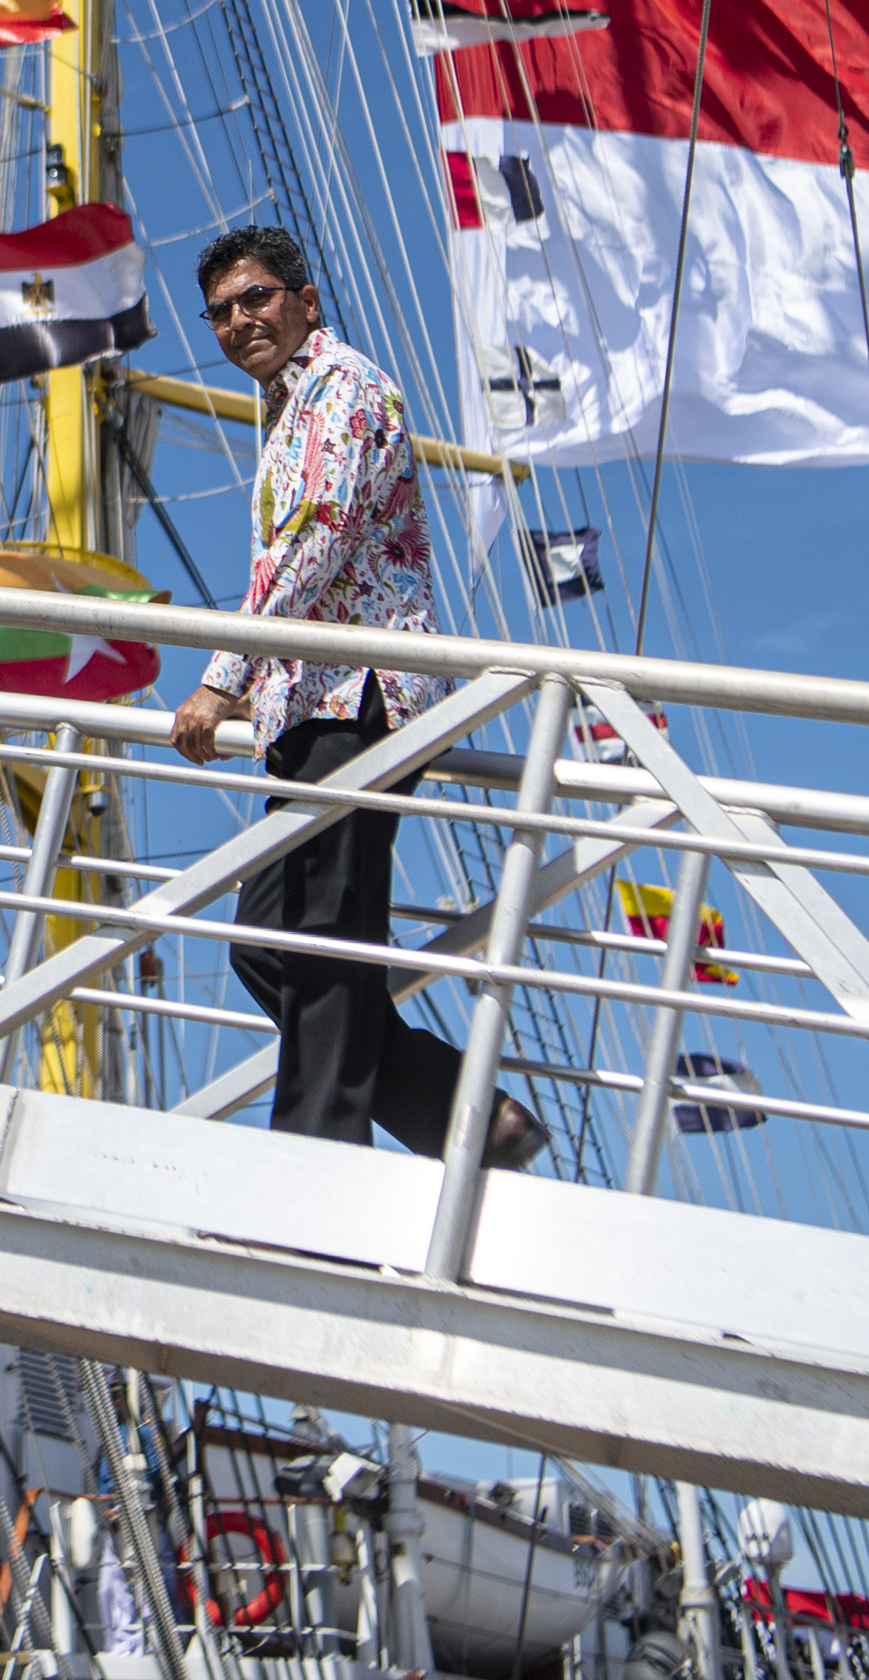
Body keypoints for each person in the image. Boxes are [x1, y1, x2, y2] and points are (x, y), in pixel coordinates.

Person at [168, 227, 545, 1169]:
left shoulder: (344, 389)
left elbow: (315, 538)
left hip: (360, 701)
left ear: (306, 299)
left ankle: (313, 1163)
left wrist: (223, 677)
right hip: (310, 703)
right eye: (220, 312)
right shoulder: (288, 405)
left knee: (326, 937)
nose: (238, 321)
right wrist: (261, 687)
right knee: (267, 942)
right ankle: (462, 1113)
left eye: (256, 297)